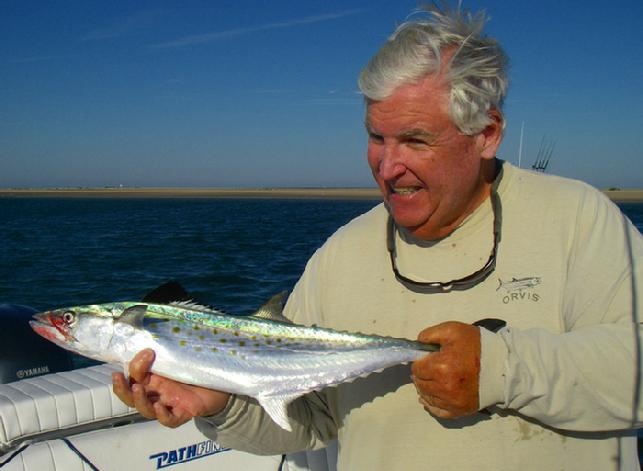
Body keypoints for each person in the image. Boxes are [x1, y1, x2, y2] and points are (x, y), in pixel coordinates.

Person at [113, 4, 643, 469]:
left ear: (486, 134)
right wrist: (223, 403)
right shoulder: (342, 254)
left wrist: (503, 370)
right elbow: (308, 421)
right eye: (376, 137)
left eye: (415, 139)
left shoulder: (577, 219)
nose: (388, 167)